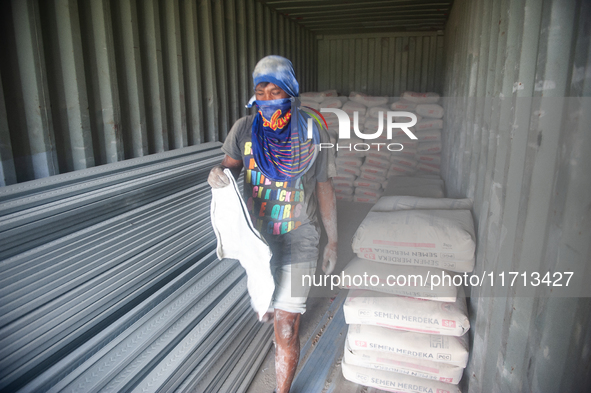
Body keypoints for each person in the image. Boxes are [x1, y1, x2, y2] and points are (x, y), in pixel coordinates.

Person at [207, 55, 337, 393]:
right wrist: (217, 174)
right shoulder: (243, 129)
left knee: (286, 326)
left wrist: (334, 241)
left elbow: (324, 187)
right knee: (268, 308)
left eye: (274, 91)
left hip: (300, 239)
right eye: (260, 92)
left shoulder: (313, 130)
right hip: (259, 242)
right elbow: (229, 167)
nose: (266, 99)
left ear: (291, 91)